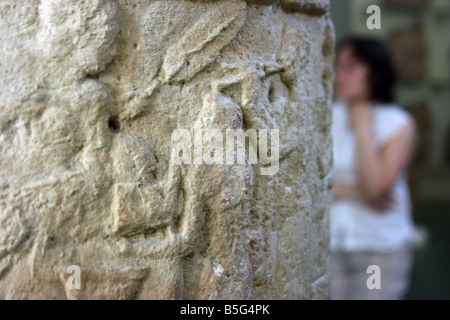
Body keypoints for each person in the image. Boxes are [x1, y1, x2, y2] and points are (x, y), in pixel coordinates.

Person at [330, 37, 418, 300]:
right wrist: (358, 194)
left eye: (350, 68)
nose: (339, 75)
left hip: (379, 247)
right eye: (338, 66)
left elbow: (376, 187)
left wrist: (362, 123)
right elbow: (307, 184)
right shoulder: (326, 115)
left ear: (376, 74)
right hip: (330, 243)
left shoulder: (398, 123)